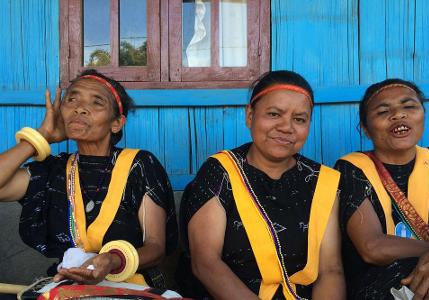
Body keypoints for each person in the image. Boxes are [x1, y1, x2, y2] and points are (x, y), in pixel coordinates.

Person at [0, 69, 177, 287]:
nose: (80, 108)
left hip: (132, 286)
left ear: (117, 123)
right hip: (67, 286)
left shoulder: (139, 165)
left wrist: (113, 260)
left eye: (96, 103)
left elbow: (156, 247)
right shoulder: (51, 171)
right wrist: (40, 137)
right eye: (72, 99)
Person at [179, 70, 345, 299]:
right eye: (274, 114)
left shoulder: (322, 182)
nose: (287, 127)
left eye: (299, 119)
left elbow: (330, 271)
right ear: (250, 116)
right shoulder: (221, 172)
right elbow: (206, 263)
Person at [335, 78, 429, 300]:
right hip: (381, 286)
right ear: (366, 129)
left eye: (409, 106)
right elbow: (373, 247)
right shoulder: (352, 169)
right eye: (383, 111)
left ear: (422, 115)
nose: (398, 115)